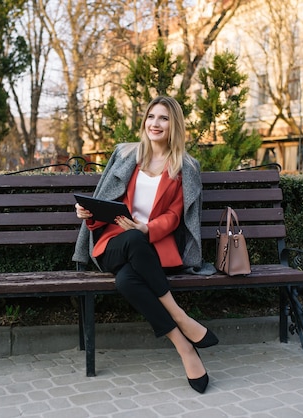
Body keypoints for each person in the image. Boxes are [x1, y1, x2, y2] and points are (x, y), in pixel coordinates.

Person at [72, 96, 218, 393]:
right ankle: (181, 317)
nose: (155, 123)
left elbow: (175, 215)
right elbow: (104, 200)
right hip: (113, 243)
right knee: (132, 241)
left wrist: (146, 227)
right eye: (151, 117)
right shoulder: (126, 156)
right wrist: (88, 214)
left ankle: (184, 348)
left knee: (126, 281)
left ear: (173, 124)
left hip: (150, 247)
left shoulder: (183, 167)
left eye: (163, 118)